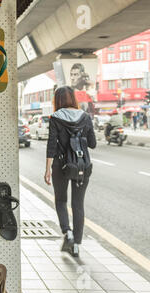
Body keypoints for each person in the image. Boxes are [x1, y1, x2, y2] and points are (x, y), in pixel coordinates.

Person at [44, 87, 96, 258]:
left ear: (57, 100)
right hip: (82, 165)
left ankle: (68, 233)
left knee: (61, 200)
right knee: (78, 204)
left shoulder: (55, 118)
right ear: (73, 99)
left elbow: (51, 145)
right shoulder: (85, 117)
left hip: (60, 165)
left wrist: (47, 170)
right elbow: (93, 143)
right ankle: (76, 245)